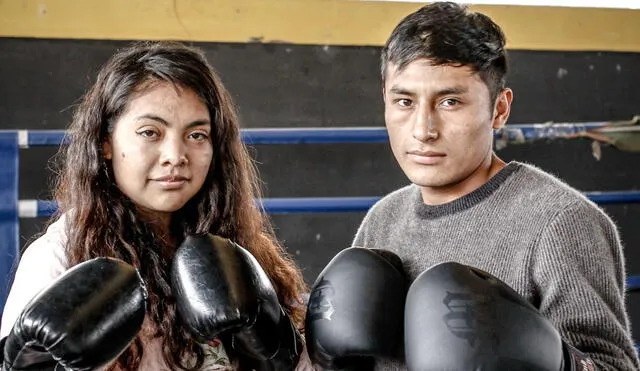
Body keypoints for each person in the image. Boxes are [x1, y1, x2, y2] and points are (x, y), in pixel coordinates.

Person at [346, 2, 638, 370]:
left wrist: (553, 361)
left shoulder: (561, 222)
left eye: (450, 102)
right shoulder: (384, 217)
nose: (423, 130)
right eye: (404, 101)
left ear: (499, 109)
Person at [0, 41, 312, 370]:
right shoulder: (63, 256)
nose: (176, 156)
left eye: (197, 135)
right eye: (150, 132)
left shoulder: (238, 249)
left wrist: (282, 351)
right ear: (106, 143)